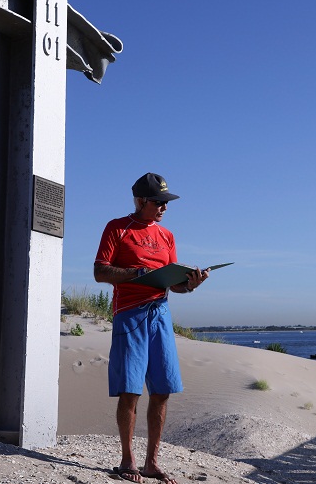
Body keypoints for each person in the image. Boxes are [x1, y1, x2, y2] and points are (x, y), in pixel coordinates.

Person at [93, 173, 209, 484]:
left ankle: (152, 463)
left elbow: (175, 284)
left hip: (160, 313)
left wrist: (191, 284)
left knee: (162, 390)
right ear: (141, 200)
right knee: (130, 391)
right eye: (158, 202)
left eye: (166, 203)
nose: (163, 208)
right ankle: (127, 460)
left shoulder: (167, 235)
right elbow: (100, 271)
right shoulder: (117, 227)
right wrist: (137, 273)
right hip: (129, 313)